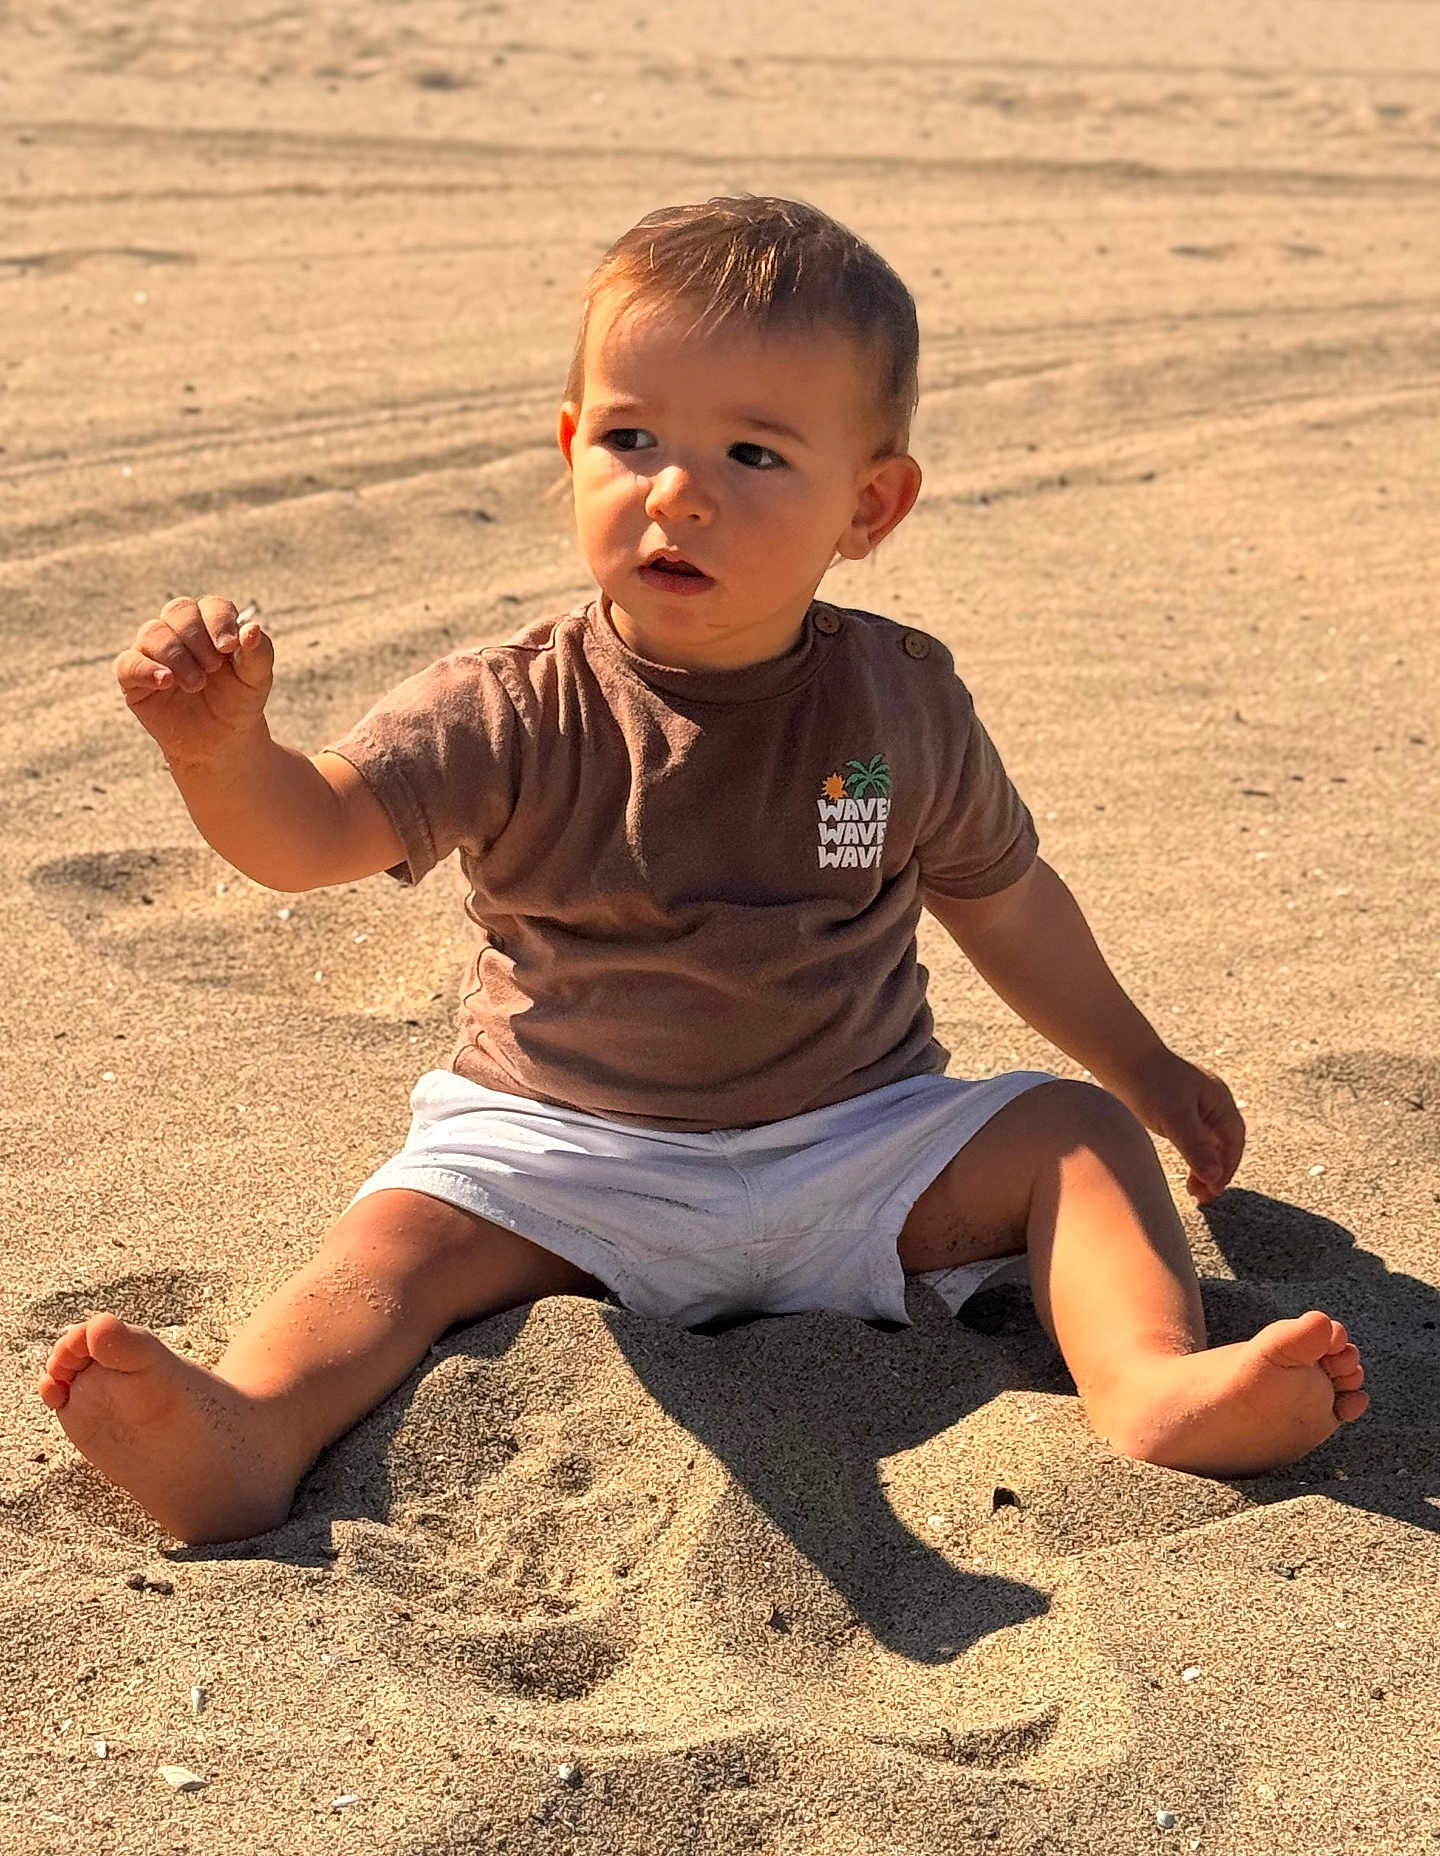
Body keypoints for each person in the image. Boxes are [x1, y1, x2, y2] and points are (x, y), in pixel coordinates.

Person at [40, 197, 1367, 1544]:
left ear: (872, 504)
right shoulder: (511, 706)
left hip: (853, 1146)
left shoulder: (899, 703)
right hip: (563, 1156)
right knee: (390, 1250)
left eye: (750, 451)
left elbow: (1003, 900)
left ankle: (1146, 1381)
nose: (676, 490)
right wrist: (223, 756)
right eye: (630, 438)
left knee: (1075, 1137)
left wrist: (1145, 1070)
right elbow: (309, 835)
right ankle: (250, 1429)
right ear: (571, 449)